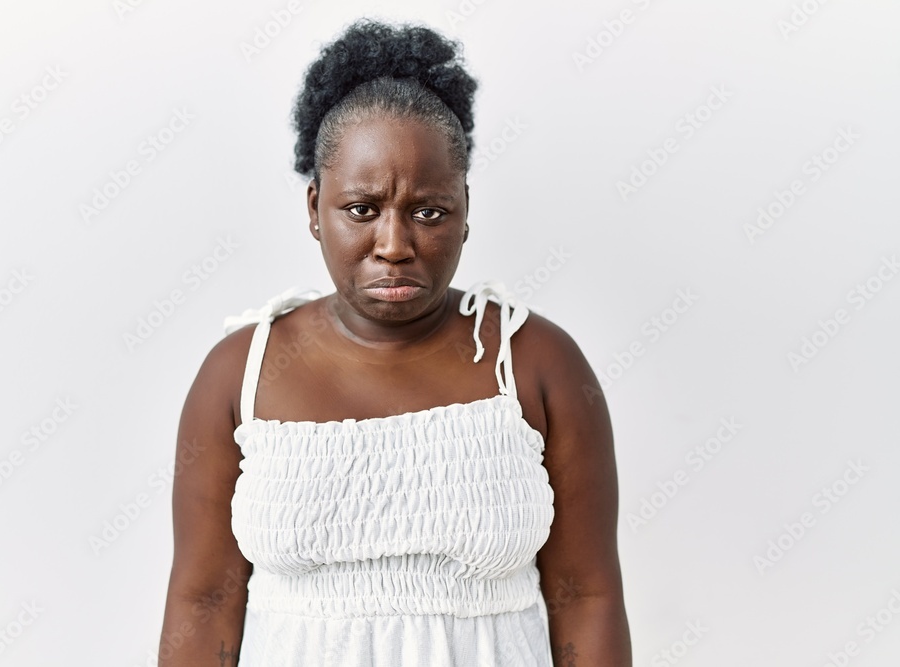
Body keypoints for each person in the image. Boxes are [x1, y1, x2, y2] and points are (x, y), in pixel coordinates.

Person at [158, 18, 631, 666]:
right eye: (362, 208)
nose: (395, 244)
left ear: (465, 207)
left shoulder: (535, 363)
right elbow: (204, 600)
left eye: (429, 211)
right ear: (314, 207)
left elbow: (587, 593)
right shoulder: (242, 373)